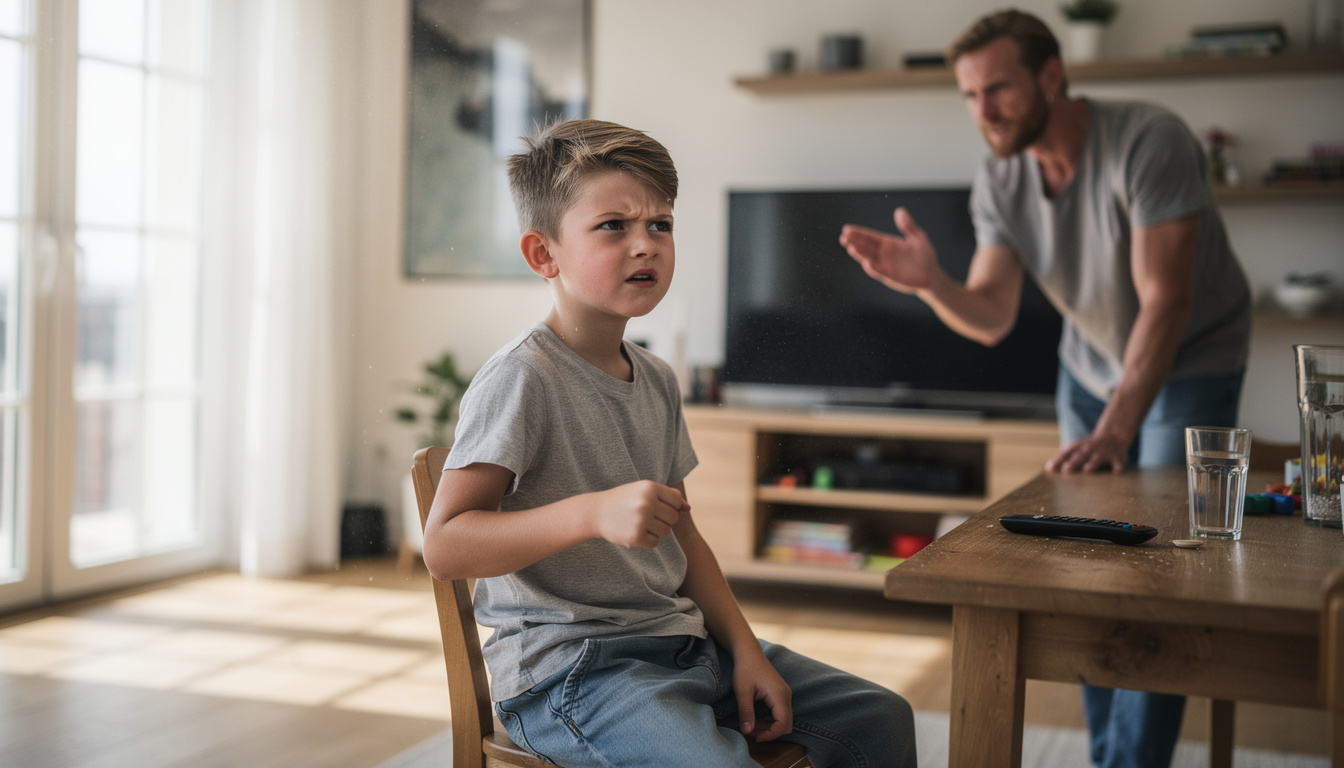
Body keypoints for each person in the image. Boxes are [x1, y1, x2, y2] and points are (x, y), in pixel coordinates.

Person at [422, 118, 917, 768]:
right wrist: (591, 513)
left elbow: (684, 537)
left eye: (661, 224)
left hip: (680, 646)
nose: (646, 245)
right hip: (572, 674)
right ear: (544, 255)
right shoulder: (521, 377)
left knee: (882, 716)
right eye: (613, 226)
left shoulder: (654, 378)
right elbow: (444, 545)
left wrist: (744, 650)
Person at [839, 10, 1250, 768]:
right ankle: (1104, 756)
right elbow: (991, 314)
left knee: (1164, 566)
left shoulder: (1150, 142)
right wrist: (933, 284)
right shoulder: (1001, 177)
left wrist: (1118, 430)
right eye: (969, 95)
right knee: (1085, 558)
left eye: (997, 88)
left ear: (1052, 78)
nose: (983, 111)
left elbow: (1166, 300)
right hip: (1091, 364)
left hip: (1190, 356)